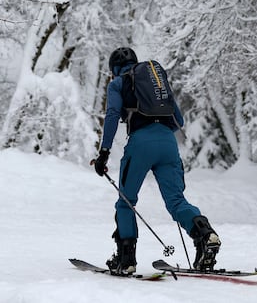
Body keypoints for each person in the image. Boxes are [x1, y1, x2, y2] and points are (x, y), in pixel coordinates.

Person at [92, 47, 221, 275]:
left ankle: (126, 259)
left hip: (140, 144)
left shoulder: (118, 83)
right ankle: (205, 235)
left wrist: (104, 151)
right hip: (168, 143)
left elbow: (112, 114)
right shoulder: (155, 83)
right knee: (176, 201)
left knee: (126, 202)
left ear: (114, 69)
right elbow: (178, 119)